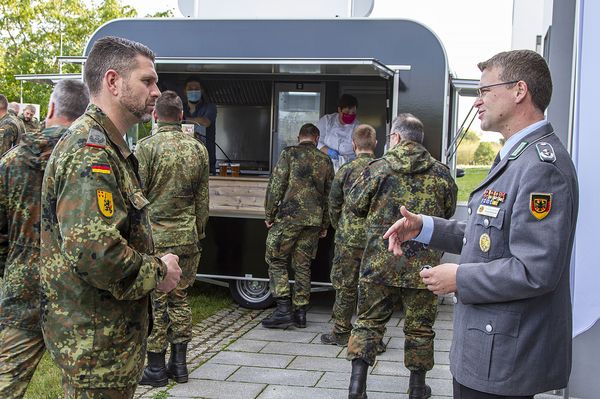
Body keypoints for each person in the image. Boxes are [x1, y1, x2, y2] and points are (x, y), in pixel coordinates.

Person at [384, 50, 579, 399]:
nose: (477, 102)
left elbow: (535, 270)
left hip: (506, 359)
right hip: (487, 352)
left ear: (519, 91)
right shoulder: (517, 156)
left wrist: (459, 277)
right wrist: (424, 227)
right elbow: (489, 234)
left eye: (485, 90)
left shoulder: (541, 167)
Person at [40, 36, 182, 399]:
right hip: (96, 346)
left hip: (106, 341)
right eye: (147, 81)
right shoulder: (92, 152)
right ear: (113, 82)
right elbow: (96, 253)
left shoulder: (110, 146)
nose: (157, 92)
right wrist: (160, 271)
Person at [345, 114, 457, 399]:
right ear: (419, 140)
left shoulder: (377, 168)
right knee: (420, 328)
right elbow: (448, 212)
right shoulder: (441, 173)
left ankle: (357, 387)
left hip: (379, 263)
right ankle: (417, 388)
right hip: (424, 266)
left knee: (368, 322)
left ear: (395, 137)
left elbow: (355, 205)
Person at [0, 79, 89, 399]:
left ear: (50, 108)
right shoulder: (90, 161)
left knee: (7, 380)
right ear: (84, 115)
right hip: (76, 292)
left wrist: (11, 266)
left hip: (22, 286)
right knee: (83, 384)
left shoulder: (10, 162)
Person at [136, 90, 210, 387]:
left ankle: (155, 368)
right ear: (181, 116)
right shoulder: (198, 150)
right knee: (180, 298)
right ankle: (179, 366)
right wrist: (199, 231)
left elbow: (137, 198)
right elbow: (203, 200)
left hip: (155, 238)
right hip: (187, 236)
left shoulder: (145, 148)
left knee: (156, 301)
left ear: (155, 115)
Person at [262, 123, 334, 329]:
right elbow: (330, 195)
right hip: (313, 221)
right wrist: (325, 223)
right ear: (317, 138)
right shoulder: (325, 160)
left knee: (276, 259)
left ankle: (283, 310)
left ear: (298, 137)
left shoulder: (289, 154)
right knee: (303, 266)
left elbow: (277, 185)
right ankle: (301, 312)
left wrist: (270, 213)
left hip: (289, 218)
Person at [320, 124, 376, 346]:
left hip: (348, 239)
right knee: (372, 288)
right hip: (375, 240)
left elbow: (333, 204)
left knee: (345, 286)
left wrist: (341, 225)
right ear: (375, 144)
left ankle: (342, 332)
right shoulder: (384, 169)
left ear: (353, 145)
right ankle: (371, 337)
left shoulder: (345, 170)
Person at [317, 94, 360, 171]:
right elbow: (317, 142)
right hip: (326, 165)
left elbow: (360, 148)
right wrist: (329, 151)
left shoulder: (358, 126)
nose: (350, 115)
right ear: (339, 110)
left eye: (353, 113)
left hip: (348, 167)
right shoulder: (327, 121)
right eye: (347, 113)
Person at [182, 78, 217, 174]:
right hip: (183, 164)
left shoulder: (210, 107)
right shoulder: (180, 107)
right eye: (190, 88)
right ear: (184, 91)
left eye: (196, 88)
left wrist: (182, 120)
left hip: (206, 163)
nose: (193, 91)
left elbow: (205, 122)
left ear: (202, 91)